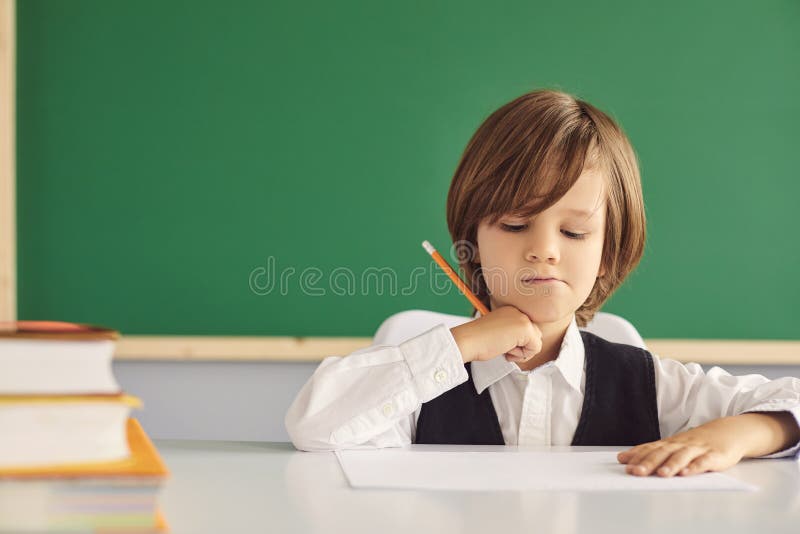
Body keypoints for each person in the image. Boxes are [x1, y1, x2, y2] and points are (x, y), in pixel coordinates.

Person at [285, 89, 800, 477]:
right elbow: (312, 424)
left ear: (607, 253)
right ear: (473, 241)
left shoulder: (652, 386)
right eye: (514, 225)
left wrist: (736, 433)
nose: (545, 249)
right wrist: (460, 344)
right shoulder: (426, 385)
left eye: (574, 231)